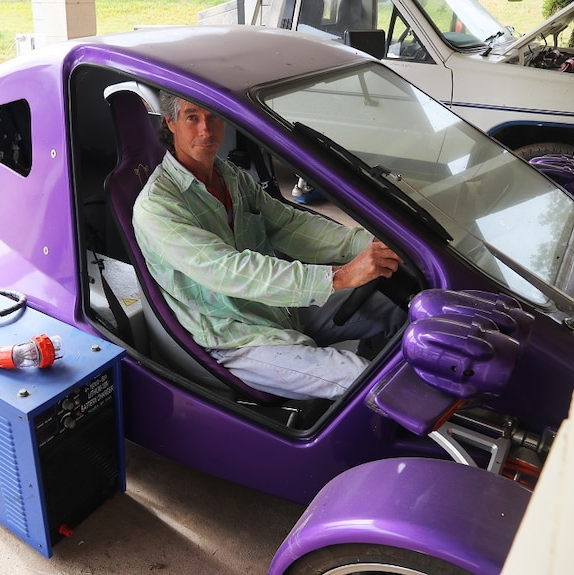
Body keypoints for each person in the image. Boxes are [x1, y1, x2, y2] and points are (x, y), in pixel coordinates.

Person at [131, 93, 406, 400]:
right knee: (368, 381)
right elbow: (228, 271)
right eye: (192, 117)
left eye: (213, 117)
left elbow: (289, 224)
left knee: (399, 311)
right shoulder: (157, 206)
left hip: (276, 307)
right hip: (234, 337)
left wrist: (371, 244)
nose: (206, 130)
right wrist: (338, 277)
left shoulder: (230, 175)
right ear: (170, 123)